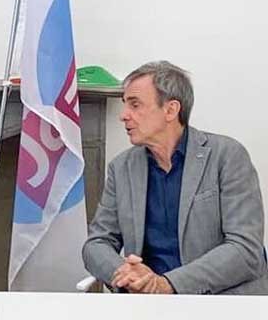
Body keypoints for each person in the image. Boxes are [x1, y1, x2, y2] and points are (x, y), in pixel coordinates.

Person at [82, 61, 268, 294]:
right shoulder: (121, 168)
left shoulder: (227, 156)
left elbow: (245, 249)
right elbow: (96, 244)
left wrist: (168, 284)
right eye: (125, 104)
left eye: (135, 104)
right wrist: (126, 273)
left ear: (171, 110)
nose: (123, 116)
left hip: (221, 300)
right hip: (148, 300)